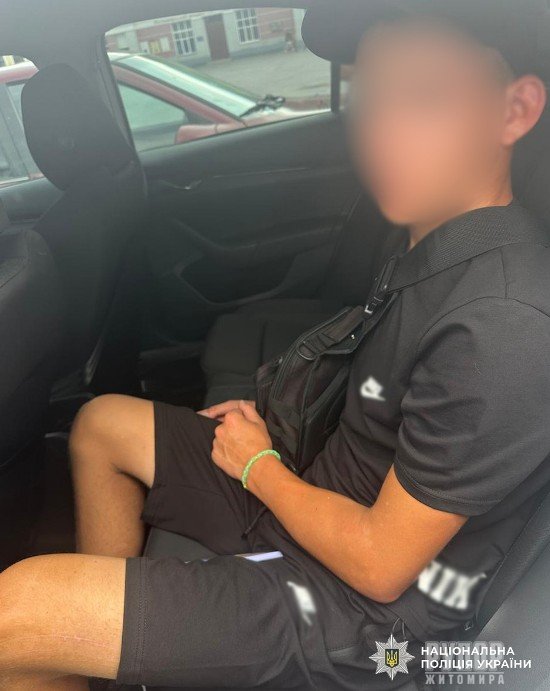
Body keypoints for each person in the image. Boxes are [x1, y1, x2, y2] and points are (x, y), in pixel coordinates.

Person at [1, 1, 549, 689]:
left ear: (514, 111)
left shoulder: (504, 323)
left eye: (424, 98)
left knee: (15, 615)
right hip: (314, 491)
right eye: (371, 97)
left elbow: (381, 566)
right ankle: (113, 655)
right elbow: (367, 397)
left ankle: (98, 635)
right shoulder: (436, 238)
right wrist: (275, 423)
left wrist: (259, 465)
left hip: (361, 617)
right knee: (101, 424)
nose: (382, 131)